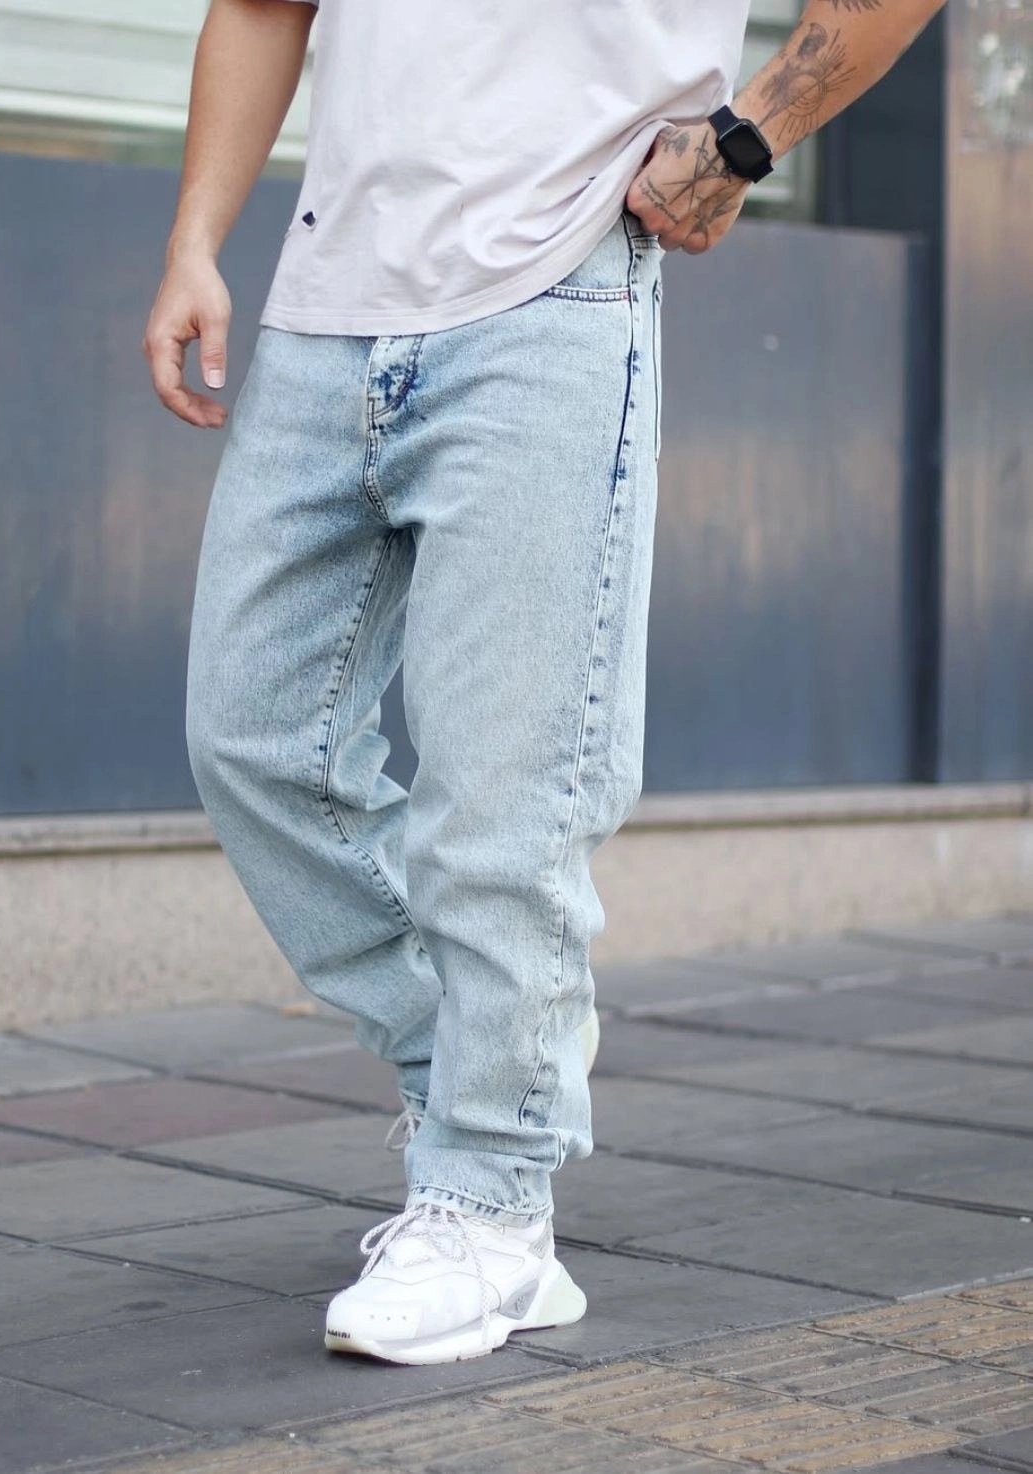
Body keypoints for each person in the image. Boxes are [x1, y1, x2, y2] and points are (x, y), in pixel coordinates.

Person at [144, 0, 945, 1367]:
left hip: (555, 287)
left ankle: (493, 1205)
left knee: (506, 793)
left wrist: (750, 135)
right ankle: (485, 1069)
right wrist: (194, 241)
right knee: (254, 735)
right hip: (331, 301)